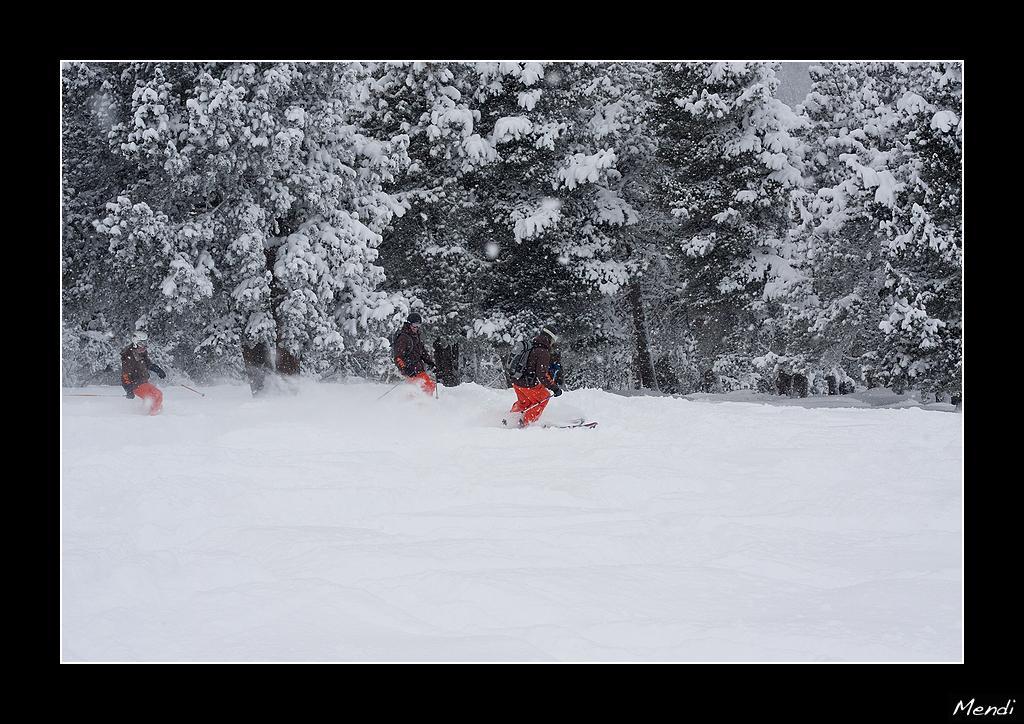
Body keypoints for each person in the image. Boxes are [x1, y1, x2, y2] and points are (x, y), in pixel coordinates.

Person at [507, 327, 562, 427]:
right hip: (527, 384)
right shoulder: (543, 352)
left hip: (516, 381)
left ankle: (510, 419)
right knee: (544, 397)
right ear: (550, 338)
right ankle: (526, 423)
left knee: (524, 402)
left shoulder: (531, 345)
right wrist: (555, 388)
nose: (553, 343)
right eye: (554, 340)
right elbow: (542, 375)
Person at [120, 332, 166, 415]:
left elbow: (148, 364)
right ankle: (151, 415)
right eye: (142, 343)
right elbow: (125, 374)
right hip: (135, 384)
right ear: (135, 342)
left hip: (143, 382)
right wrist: (129, 389)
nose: (144, 346)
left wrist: (158, 370)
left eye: (145, 343)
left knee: (158, 395)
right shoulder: (128, 355)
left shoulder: (141, 353)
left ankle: (154, 412)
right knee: (154, 396)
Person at [393, 312, 437, 396]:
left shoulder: (416, 335)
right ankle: (416, 406)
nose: (416, 327)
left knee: (427, 388)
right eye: (414, 325)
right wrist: (405, 370)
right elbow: (398, 357)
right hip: (411, 370)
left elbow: (422, 352)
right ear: (409, 324)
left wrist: (430, 362)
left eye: (418, 325)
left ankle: (422, 406)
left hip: (418, 369)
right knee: (425, 388)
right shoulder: (403, 338)